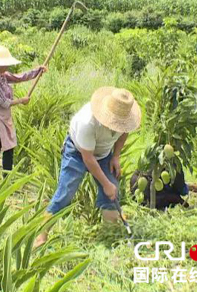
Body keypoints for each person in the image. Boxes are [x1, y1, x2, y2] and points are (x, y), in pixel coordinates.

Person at [35, 87, 141, 246]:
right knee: (66, 191)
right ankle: (41, 235)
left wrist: (116, 156)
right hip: (77, 152)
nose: (119, 127)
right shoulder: (88, 122)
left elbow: (125, 132)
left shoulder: (125, 121)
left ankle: (109, 236)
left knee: (112, 193)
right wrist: (106, 184)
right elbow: (88, 158)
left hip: (104, 154)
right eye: (116, 123)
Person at [0, 46, 46, 184]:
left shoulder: (3, 76)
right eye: (5, 63)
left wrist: (37, 71)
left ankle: (7, 181)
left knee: (9, 147)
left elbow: (20, 77)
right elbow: (3, 102)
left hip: (4, 117)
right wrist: (22, 101)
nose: (8, 65)